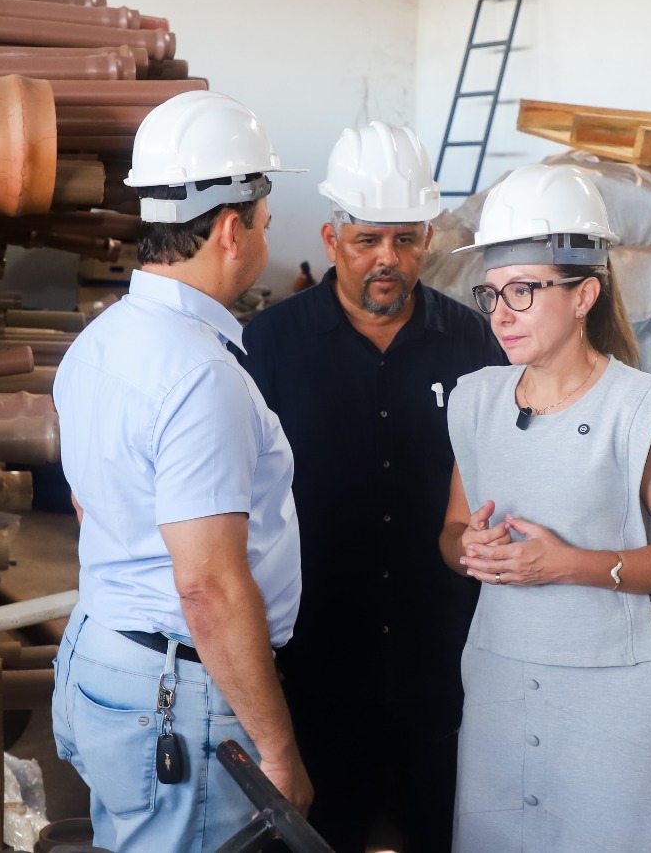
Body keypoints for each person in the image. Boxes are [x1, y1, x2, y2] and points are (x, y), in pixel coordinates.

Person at [51, 91, 313, 853]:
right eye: (265, 222)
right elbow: (207, 585)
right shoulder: (200, 375)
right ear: (232, 228)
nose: (266, 238)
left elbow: (88, 502)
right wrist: (278, 750)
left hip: (101, 658)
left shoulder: (99, 343)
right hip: (175, 692)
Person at [241, 121, 506, 852]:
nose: (387, 260)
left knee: (444, 831)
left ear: (427, 238)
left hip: (441, 664)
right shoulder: (269, 346)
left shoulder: (473, 345)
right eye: (367, 241)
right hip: (318, 663)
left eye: (406, 239)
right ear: (332, 241)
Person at [438, 162, 651, 853]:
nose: (501, 313)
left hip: (611, 697)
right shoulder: (475, 400)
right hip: (501, 677)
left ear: (585, 292)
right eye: (492, 293)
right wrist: (466, 549)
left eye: (524, 292)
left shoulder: (641, 409)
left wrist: (566, 564)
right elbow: (450, 530)